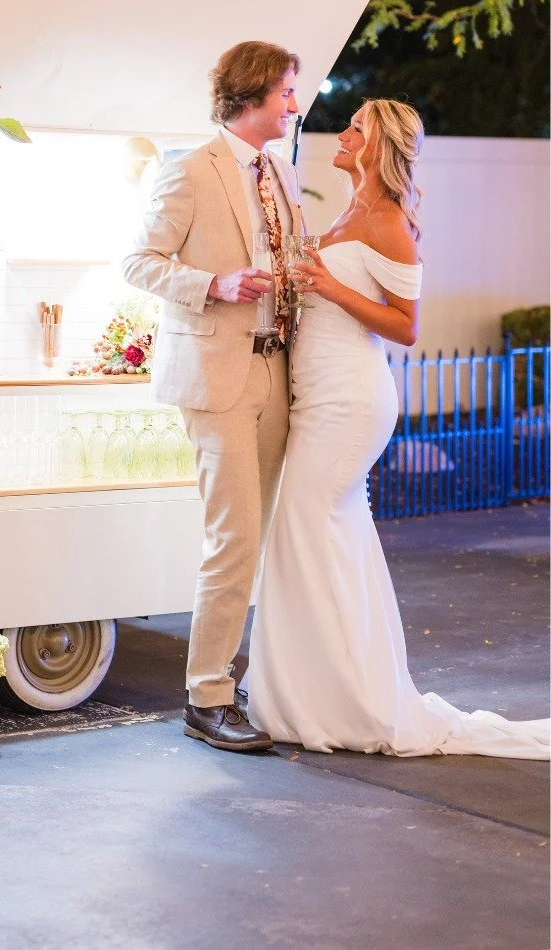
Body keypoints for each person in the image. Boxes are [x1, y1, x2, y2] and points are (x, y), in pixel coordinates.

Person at [249, 99, 549, 759]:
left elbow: (406, 328)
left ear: (378, 146)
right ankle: (329, 690)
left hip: (352, 400)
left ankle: (343, 702)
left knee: (305, 526)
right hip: (319, 392)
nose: (345, 131)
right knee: (325, 537)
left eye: (356, 126)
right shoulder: (351, 211)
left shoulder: (388, 223)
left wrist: (326, 285)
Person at [123, 39, 302, 752]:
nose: (294, 104)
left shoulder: (281, 173)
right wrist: (215, 286)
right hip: (216, 377)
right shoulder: (188, 172)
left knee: (265, 542)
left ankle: (250, 680)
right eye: (287, 91)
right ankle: (207, 697)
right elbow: (138, 262)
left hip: (276, 372)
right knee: (235, 540)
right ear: (254, 94)